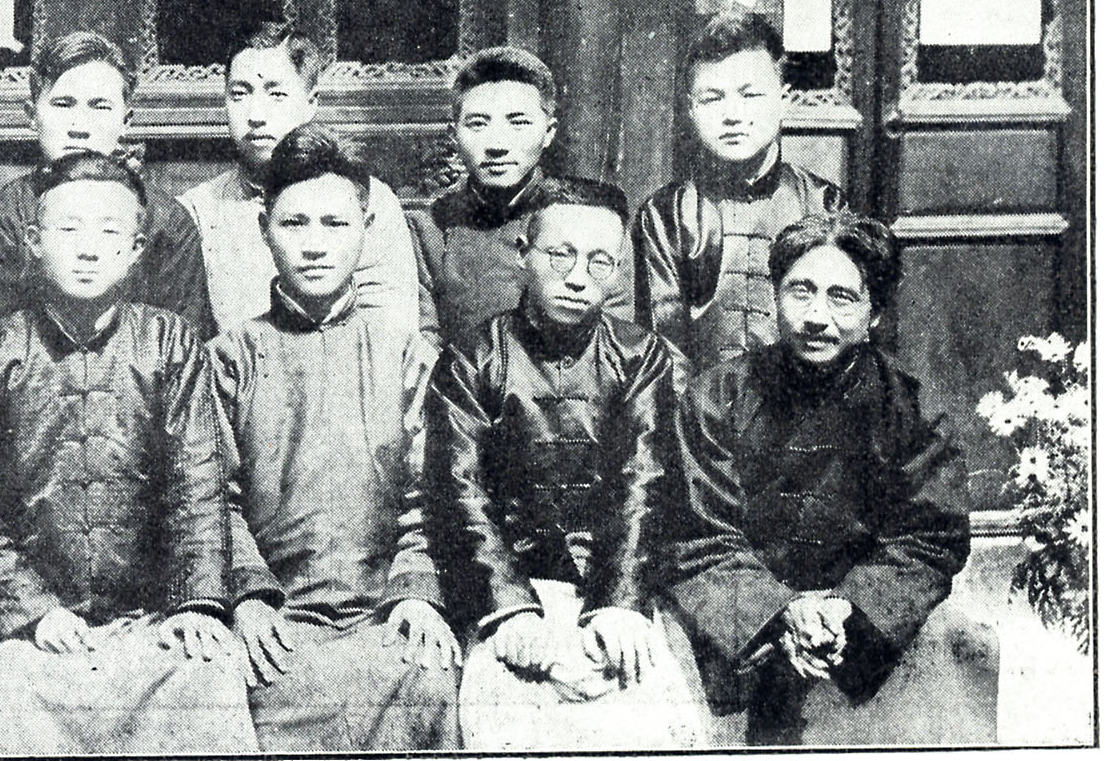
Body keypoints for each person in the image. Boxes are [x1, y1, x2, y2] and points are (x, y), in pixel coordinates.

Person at [0, 151, 256, 753]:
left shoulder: (169, 343)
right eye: (69, 229)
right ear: (34, 242)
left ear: (135, 249)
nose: (88, 249)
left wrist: (194, 604)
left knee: (207, 678)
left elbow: (197, 486)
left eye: (109, 232)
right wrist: (33, 612)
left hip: (152, 616)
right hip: (36, 626)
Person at [658, 212, 995, 746]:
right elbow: (700, 536)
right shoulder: (714, 399)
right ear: (774, 296)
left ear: (874, 313)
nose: (817, 316)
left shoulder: (911, 410)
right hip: (739, 621)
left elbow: (930, 536)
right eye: (801, 291)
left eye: (842, 298)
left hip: (863, 627)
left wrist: (849, 607)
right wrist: (781, 610)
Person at [419, 177, 704, 750]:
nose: (578, 277)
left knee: (654, 709)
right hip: (514, 585)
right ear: (523, 255)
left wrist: (619, 606)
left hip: (615, 580)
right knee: (502, 714)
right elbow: (461, 491)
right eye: (560, 255)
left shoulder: (640, 355)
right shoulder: (473, 358)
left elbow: (645, 481)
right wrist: (510, 610)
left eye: (600, 262)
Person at [212, 127, 460, 752]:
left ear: (367, 229)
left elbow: (429, 497)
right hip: (274, 615)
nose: (315, 245)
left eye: (335, 223)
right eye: (294, 223)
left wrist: (416, 591)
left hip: (384, 610)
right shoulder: (228, 359)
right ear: (264, 229)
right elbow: (215, 499)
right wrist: (247, 598)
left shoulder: (407, 356)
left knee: (426, 676)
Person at [0, 31, 213, 341]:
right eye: (63, 104)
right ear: (32, 116)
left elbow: (185, 346)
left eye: (99, 106)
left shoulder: (169, 225)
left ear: (126, 120)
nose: (80, 127)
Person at [178, 23, 426, 337]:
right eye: (239, 94)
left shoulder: (369, 200)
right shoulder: (196, 211)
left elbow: (389, 335)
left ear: (311, 102)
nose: (256, 115)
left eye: (276, 94)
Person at [635, 13, 843, 371]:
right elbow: (664, 347)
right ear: (690, 108)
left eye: (750, 95)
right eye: (712, 99)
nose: (732, 115)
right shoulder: (666, 214)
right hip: (696, 402)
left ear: (783, 99)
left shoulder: (822, 203)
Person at [408, 47, 631, 347]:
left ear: (549, 132)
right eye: (478, 123)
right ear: (454, 135)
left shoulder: (596, 221)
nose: (497, 144)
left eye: (518, 122)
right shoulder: (428, 229)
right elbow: (423, 347)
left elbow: (617, 341)